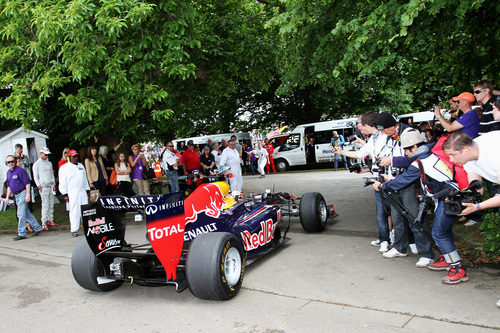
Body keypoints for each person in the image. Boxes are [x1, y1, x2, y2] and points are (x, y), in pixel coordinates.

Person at [372, 131, 442, 269]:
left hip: (436, 193)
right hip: (408, 186)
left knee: (417, 219)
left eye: (406, 150)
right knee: (398, 217)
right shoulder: (421, 154)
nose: (405, 153)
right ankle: (400, 247)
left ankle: (427, 254)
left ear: (415, 147)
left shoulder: (421, 159)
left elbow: (405, 178)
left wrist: (382, 186)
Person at [334, 112, 391, 253]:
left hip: (390, 179)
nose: (361, 131)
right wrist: (341, 152)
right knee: (381, 213)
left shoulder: (386, 136)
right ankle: (384, 239)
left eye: (362, 128)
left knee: (393, 213)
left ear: (369, 125)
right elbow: (360, 154)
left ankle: (399, 240)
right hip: (378, 180)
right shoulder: (373, 139)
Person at [5, 155, 43, 240]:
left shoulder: (20, 171)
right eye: (8, 162)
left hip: (23, 193)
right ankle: (37, 228)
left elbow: (27, 183)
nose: (10, 163)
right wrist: (7, 197)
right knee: (26, 213)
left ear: (14, 161)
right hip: (16, 195)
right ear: (6, 163)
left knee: (21, 214)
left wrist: (28, 194)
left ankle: (22, 233)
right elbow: (9, 186)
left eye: (12, 161)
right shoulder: (8, 173)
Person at [59, 150, 90, 237]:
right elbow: (62, 182)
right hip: (72, 192)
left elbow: (84, 179)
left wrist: (87, 190)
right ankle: (74, 229)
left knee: (85, 210)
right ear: (69, 157)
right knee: (74, 211)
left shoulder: (81, 166)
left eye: (76, 156)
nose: (75, 158)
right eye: (73, 156)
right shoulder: (64, 168)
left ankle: (87, 228)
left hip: (82, 191)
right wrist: (65, 194)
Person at [32, 147, 57, 230]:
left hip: (50, 185)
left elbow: (51, 174)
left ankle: (50, 220)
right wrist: (38, 186)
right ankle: (44, 222)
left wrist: (53, 184)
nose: (47, 156)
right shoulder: (37, 164)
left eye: (47, 155)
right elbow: (35, 176)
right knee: (45, 204)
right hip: (43, 187)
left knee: (51, 203)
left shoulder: (49, 163)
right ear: (41, 153)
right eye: (45, 154)